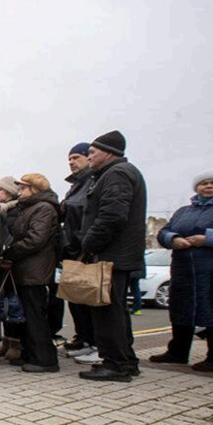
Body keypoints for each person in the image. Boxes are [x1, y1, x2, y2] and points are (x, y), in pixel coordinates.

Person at [78, 130, 147, 382]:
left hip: (111, 254)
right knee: (115, 310)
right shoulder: (117, 173)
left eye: (93, 153)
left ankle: (116, 364)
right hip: (117, 254)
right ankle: (125, 361)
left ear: (108, 153)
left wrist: (89, 243)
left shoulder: (116, 174)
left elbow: (113, 215)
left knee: (107, 311)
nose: (90, 156)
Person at [151, 171, 213, 372]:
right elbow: (163, 231)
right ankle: (177, 352)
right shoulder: (184, 211)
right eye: (203, 183)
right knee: (181, 310)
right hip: (184, 269)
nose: (208, 186)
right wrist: (173, 239)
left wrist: (208, 239)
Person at [1, 174, 60, 372]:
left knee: (35, 317)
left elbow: (35, 239)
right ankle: (31, 353)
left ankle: (45, 359)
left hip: (35, 270)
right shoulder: (30, 208)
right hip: (26, 269)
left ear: (34, 189)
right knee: (27, 316)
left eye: (24, 188)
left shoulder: (43, 208)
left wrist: (11, 251)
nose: (20, 191)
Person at [60, 142, 96, 359]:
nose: (72, 162)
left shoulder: (93, 181)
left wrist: (84, 246)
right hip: (72, 250)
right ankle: (83, 338)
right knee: (76, 299)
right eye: (69, 159)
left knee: (90, 300)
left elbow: (87, 215)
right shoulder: (75, 185)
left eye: (76, 157)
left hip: (85, 250)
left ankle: (95, 343)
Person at [0, 175, 24, 361]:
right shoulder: (3, 210)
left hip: (14, 263)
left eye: (0, 190)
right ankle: (7, 340)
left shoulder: (15, 211)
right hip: (5, 262)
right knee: (4, 303)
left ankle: (16, 343)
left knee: (14, 305)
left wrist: (10, 252)